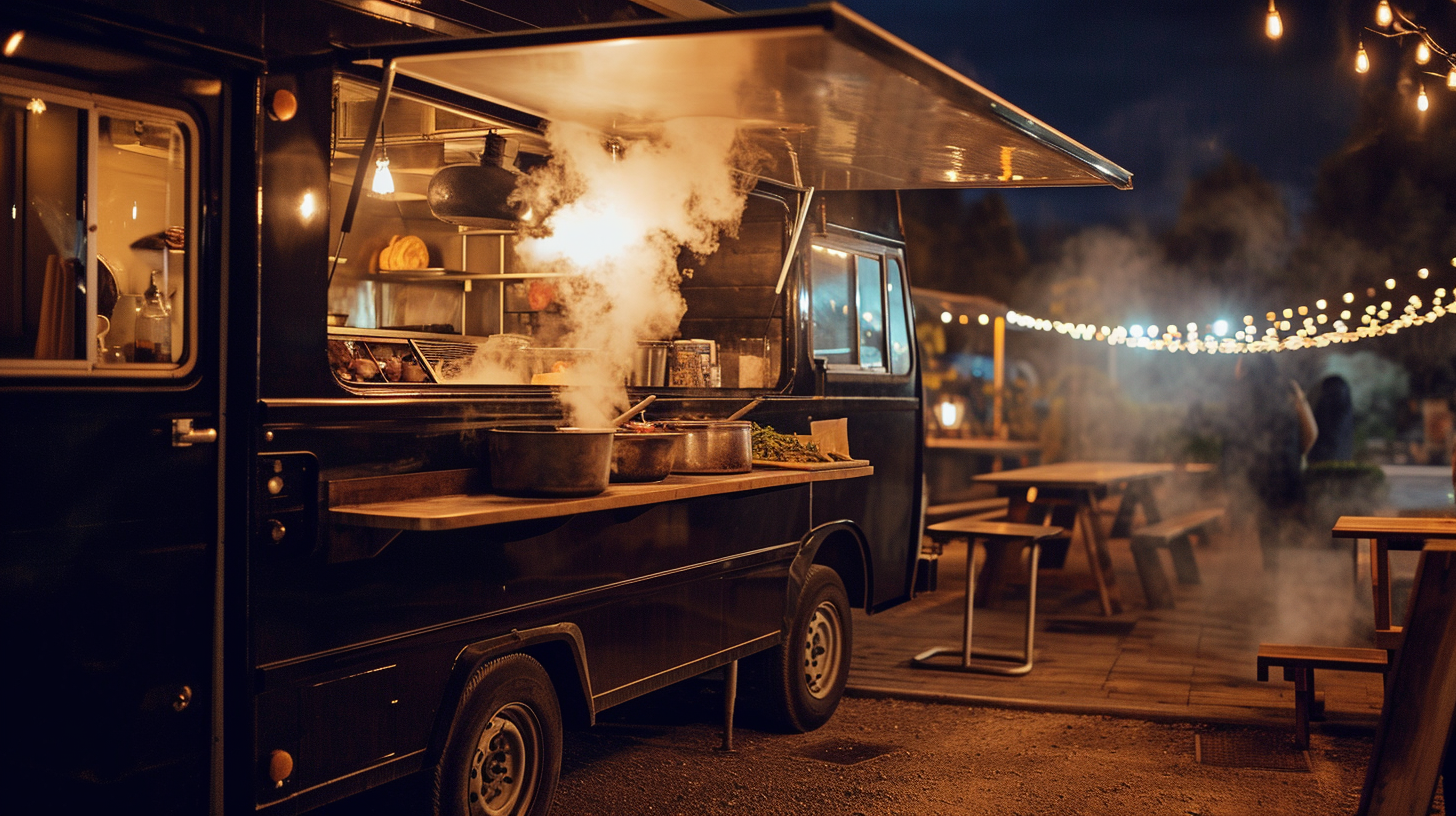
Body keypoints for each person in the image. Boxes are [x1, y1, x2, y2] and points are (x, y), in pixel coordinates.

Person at [1222, 355, 1315, 567]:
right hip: (1288, 473)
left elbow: (1232, 443)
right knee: (1293, 531)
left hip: (1256, 475)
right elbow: (1311, 432)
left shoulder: (1239, 393)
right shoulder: (1290, 389)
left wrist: (1230, 483)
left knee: (1268, 528)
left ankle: (1273, 578)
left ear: (1245, 368)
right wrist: (1292, 453)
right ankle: (1296, 588)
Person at [1306, 375, 1355, 464]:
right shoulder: (1341, 390)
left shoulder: (1332, 391)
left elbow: (1322, 424)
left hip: (1324, 456)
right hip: (1340, 456)